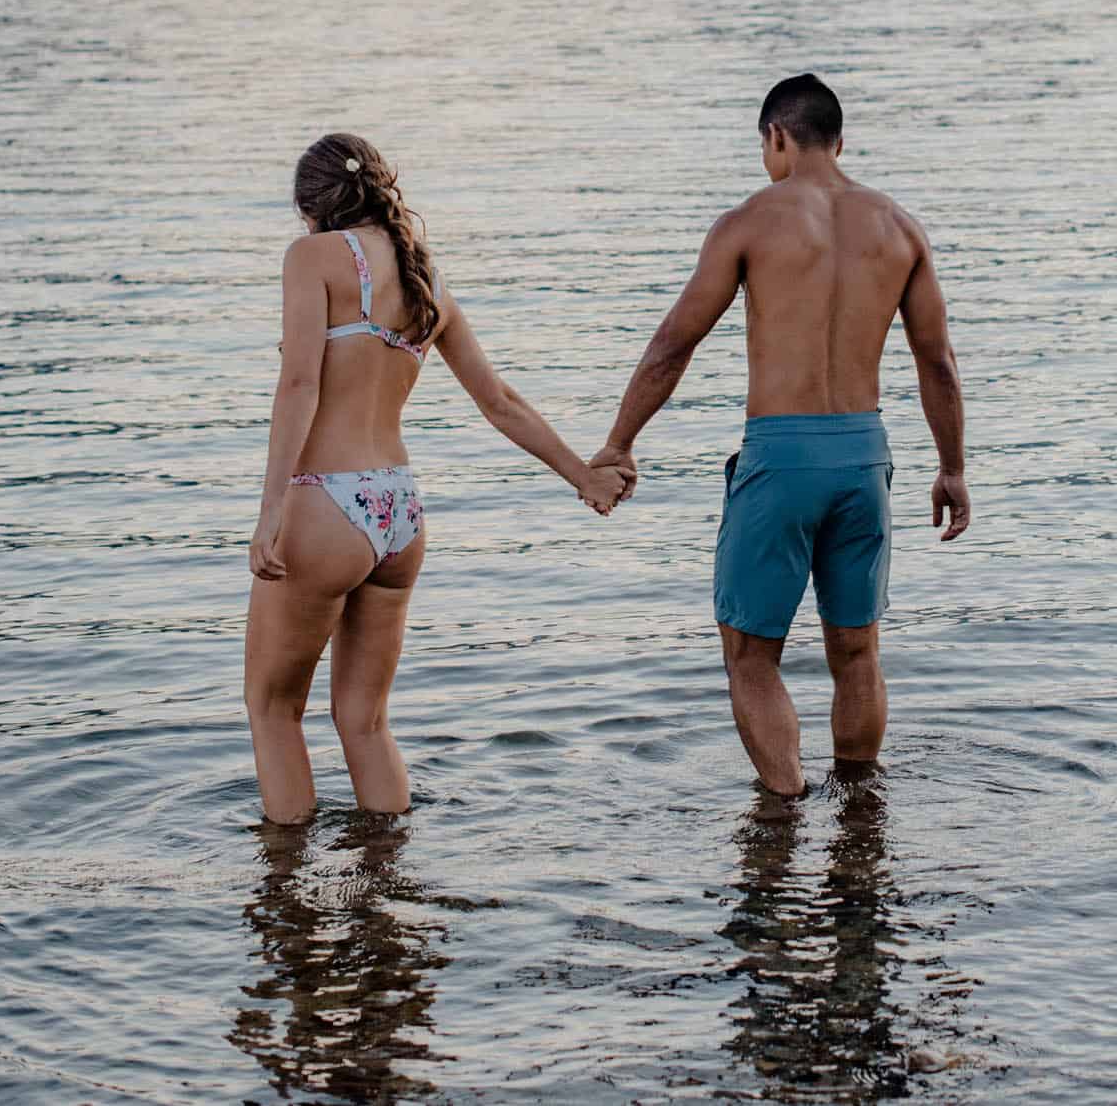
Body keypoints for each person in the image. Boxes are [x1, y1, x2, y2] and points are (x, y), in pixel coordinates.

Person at [592, 75, 970, 797]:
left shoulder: (748, 223)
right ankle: (859, 814)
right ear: (840, 142)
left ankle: (785, 807)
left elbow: (675, 342)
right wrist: (952, 468)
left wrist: (620, 441)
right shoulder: (900, 227)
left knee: (750, 655)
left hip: (782, 455)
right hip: (864, 457)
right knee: (856, 650)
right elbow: (938, 362)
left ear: (776, 138)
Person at [246, 133, 631, 825]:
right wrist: (583, 475)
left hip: (325, 502)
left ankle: (285, 884)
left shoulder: (313, 258)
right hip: (397, 512)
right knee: (365, 721)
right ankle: (388, 871)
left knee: (274, 708)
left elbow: (300, 383)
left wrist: (271, 509)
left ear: (311, 207)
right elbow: (499, 401)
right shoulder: (426, 277)